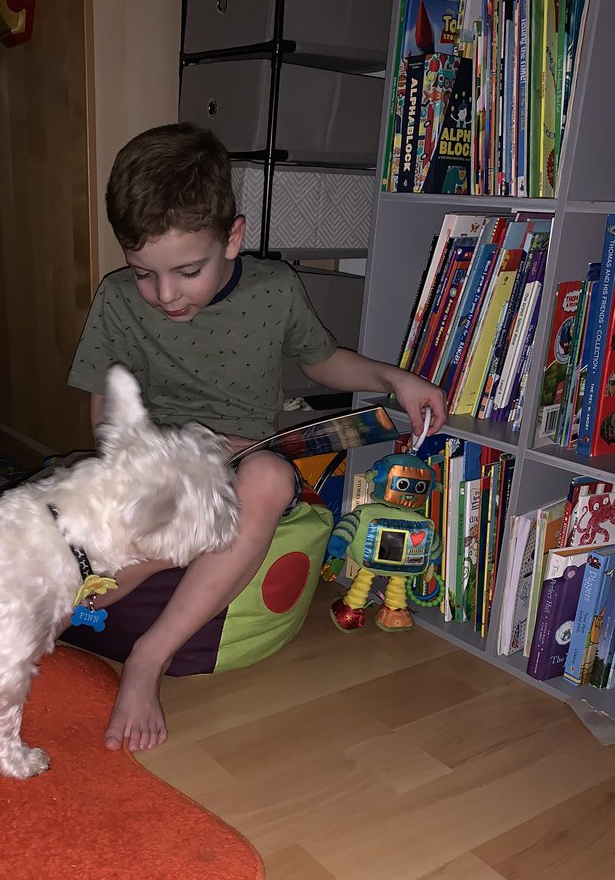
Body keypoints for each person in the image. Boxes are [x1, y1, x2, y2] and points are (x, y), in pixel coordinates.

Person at [67, 123, 447, 754]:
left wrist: (393, 378)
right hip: (150, 465)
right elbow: (104, 418)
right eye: (143, 274)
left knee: (269, 476)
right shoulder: (116, 299)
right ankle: (84, 590)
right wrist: (172, 453)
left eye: (188, 271)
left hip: (244, 467)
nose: (165, 295)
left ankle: (147, 656)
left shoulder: (275, 290)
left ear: (233, 238)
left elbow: (324, 362)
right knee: (76, 497)